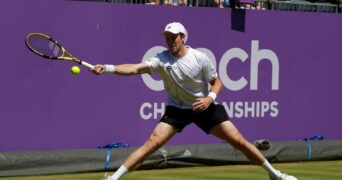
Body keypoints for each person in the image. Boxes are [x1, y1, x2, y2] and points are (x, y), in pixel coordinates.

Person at [90, 22, 297, 180]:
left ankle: (275, 174)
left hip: (203, 107)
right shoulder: (161, 58)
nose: (170, 41)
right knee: (152, 143)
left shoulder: (200, 58)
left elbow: (217, 82)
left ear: (183, 38)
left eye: (173, 37)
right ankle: (114, 178)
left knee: (239, 142)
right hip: (177, 109)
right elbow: (134, 68)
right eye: (167, 38)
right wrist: (107, 68)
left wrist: (209, 98)